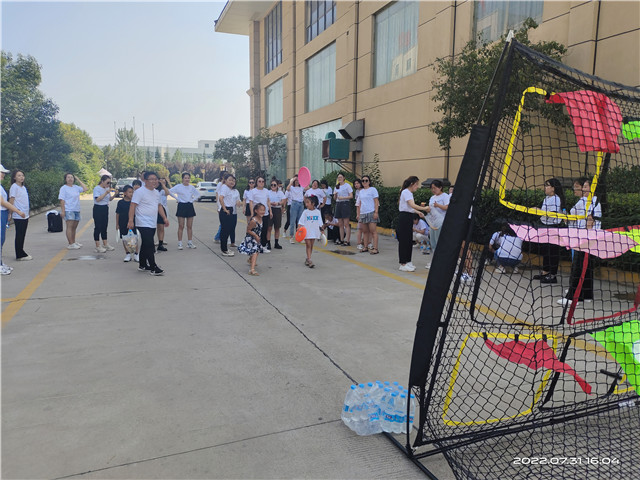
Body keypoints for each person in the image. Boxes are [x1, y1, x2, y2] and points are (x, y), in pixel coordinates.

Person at [558, 177, 600, 306]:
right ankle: (586, 295)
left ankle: (573, 296)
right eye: (584, 187)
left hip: (584, 238)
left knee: (578, 266)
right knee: (586, 267)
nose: (583, 189)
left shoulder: (590, 201)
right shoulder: (589, 201)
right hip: (588, 238)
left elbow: (591, 221)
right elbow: (573, 217)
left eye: (586, 187)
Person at [128, 171, 168, 276]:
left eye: (156, 179)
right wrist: (131, 220)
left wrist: (164, 218)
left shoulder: (156, 192)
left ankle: (142, 264)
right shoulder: (140, 192)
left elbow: (159, 206)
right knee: (150, 244)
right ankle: (153, 267)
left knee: (146, 244)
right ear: (145, 180)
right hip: (142, 222)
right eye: (151, 179)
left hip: (152, 222)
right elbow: (133, 205)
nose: (154, 181)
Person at [533, 178, 565, 284]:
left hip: (553, 227)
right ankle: (545, 272)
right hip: (545, 226)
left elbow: (551, 213)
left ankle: (552, 275)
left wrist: (539, 211)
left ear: (553, 188)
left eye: (547, 186)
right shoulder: (547, 198)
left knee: (553, 251)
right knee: (546, 250)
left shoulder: (556, 199)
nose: (545, 188)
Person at [397, 176, 430, 272]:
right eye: (416, 185)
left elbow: (410, 207)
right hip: (404, 218)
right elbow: (411, 205)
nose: (417, 187)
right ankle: (403, 263)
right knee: (404, 240)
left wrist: (417, 212)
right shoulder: (406, 192)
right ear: (412, 184)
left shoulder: (408, 193)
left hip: (408, 216)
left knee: (408, 240)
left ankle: (408, 261)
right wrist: (424, 208)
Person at [1, 165, 26, 274]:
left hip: (3, 213)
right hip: (1, 212)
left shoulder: (0, 186)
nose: (3, 175)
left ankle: (1, 263)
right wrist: (17, 211)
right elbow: (3, 202)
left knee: (1, 239)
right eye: (2, 172)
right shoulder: (12, 187)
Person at [169, 172, 200, 250]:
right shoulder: (178, 186)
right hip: (181, 206)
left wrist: (192, 200)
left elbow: (198, 194)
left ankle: (190, 242)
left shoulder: (191, 187)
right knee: (181, 226)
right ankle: (180, 243)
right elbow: (170, 191)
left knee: (189, 226)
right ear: (182, 179)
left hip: (189, 206)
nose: (187, 179)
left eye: (188, 178)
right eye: (185, 178)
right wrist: (177, 199)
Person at [58, 173, 88, 249]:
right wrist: (63, 211)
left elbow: (85, 189)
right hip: (69, 210)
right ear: (65, 179)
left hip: (76, 209)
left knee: (74, 227)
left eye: (72, 177)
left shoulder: (76, 187)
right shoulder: (63, 188)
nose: (70, 179)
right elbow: (62, 200)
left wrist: (78, 180)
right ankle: (70, 243)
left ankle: (73, 242)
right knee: (69, 227)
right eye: (68, 177)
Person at [9, 170, 32, 261]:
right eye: (19, 175)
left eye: (22, 175)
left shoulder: (23, 187)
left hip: (25, 214)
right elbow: (11, 200)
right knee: (19, 234)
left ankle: (21, 251)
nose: (21, 177)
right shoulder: (14, 187)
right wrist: (10, 213)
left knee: (22, 234)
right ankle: (19, 254)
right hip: (18, 214)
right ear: (14, 178)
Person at [218, 174, 243, 257]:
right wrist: (224, 209)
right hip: (226, 210)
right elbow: (220, 198)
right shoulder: (225, 187)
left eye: (233, 180)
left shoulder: (233, 190)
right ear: (225, 180)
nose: (232, 182)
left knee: (228, 230)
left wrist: (240, 203)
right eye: (230, 180)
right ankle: (224, 250)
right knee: (225, 230)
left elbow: (237, 202)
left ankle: (224, 248)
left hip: (231, 210)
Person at [238, 203, 265, 276]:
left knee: (257, 250)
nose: (263, 212)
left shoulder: (261, 218)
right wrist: (255, 235)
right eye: (261, 210)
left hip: (257, 237)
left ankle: (250, 259)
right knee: (255, 251)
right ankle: (252, 269)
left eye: (264, 210)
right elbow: (248, 230)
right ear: (256, 211)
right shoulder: (253, 221)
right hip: (251, 238)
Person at [92, 175, 117, 253]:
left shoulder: (107, 188)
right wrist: (106, 192)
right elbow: (98, 199)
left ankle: (105, 243)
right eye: (107, 182)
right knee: (98, 227)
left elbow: (109, 199)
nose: (109, 184)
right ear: (102, 181)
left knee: (104, 226)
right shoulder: (97, 188)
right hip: (98, 208)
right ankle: (97, 245)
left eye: (110, 183)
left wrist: (115, 194)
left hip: (105, 208)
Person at [425, 180, 449, 258]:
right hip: (433, 222)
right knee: (433, 242)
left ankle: (441, 259)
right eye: (432, 188)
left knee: (439, 241)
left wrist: (438, 205)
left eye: (435, 188)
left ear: (440, 187)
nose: (433, 190)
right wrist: (426, 209)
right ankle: (434, 259)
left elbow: (447, 207)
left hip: (441, 222)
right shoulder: (432, 197)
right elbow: (430, 209)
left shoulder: (445, 196)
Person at [298, 195, 324, 268]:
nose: (306, 204)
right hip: (306, 231)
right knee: (308, 244)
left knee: (311, 245)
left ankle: (308, 258)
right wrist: (299, 228)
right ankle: (309, 260)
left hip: (314, 231)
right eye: (306, 202)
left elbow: (320, 222)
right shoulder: (305, 212)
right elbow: (301, 221)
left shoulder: (317, 212)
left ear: (313, 203)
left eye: (308, 202)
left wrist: (322, 230)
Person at [356, 175, 380, 254]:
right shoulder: (361, 191)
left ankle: (375, 248)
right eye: (363, 181)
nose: (364, 182)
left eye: (366, 180)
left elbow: (376, 201)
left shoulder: (373, 190)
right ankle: (365, 247)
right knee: (365, 231)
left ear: (369, 182)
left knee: (373, 231)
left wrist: (376, 212)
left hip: (371, 212)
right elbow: (359, 203)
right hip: (363, 213)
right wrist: (358, 214)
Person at [115, 185, 139, 262]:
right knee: (125, 238)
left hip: (132, 222)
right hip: (123, 222)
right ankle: (127, 254)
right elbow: (117, 213)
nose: (131, 194)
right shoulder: (120, 202)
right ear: (125, 193)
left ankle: (136, 254)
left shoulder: (134, 202)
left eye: (132, 192)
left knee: (134, 238)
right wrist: (117, 224)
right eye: (129, 192)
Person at [249, 176, 272, 252]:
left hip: (265, 213)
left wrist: (270, 211)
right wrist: (252, 213)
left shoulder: (266, 191)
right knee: (256, 230)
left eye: (262, 181)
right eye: (259, 181)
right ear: (256, 182)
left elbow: (268, 201)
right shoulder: (253, 191)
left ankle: (263, 245)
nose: (261, 183)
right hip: (257, 214)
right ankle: (255, 245)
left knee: (264, 230)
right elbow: (251, 202)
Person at [333, 173, 353, 246]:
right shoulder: (336, 187)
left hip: (345, 204)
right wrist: (335, 195)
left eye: (341, 177)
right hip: (338, 204)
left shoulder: (347, 186)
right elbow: (335, 199)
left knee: (346, 224)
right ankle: (341, 239)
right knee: (340, 224)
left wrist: (343, 198)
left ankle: (347, 241)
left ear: (344, 178)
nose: (339, 178)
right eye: (338, 177)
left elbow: (351, 196)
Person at [267, 179, 286, 249]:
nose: (273, 186)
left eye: (274, 185)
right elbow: (267, 200)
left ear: (277, 185)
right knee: (269, 227)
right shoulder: (268, 192)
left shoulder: (280, 193)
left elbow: (283, 200)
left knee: (277, 227)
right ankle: (268, 243)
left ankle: (276, 243)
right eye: (271, 185)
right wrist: (271, 203)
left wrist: (278, 203)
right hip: (270, 209)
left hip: (277, 209)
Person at [155, 178, 172, 252]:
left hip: (162, 209)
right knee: (153, 228)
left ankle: (160, 243)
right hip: (152, 210)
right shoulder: (152, 190)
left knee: (161, 227)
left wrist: (163, 185)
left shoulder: (162, 190)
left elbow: (168, 193)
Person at [287, 176, 304, 243]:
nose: (297, 181)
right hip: (294, 203)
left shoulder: (301, 187)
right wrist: (292, 180)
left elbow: (307, 187)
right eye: (296, 180)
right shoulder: (292, 187)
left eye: (298, 180)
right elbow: (287, 188)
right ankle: (291, 237)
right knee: (292, 221)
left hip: (301, 204)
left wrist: (303, 180)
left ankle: (300, 236)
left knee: (300, 221)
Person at [353, 178, 364, 249]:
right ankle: (359, 243)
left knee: (367, 229)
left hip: (366, 210)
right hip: (360, 211)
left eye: (357, 183)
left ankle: (366, 242)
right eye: (355, 184)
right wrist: (358, 213)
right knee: (360, 228)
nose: (356, 185)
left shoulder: (364, 190)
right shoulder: (357, 192)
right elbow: (357, 203)